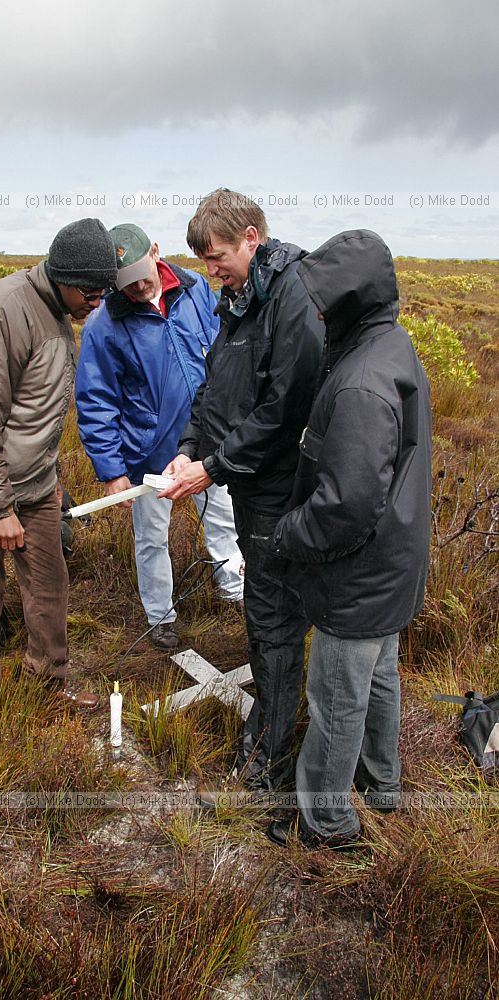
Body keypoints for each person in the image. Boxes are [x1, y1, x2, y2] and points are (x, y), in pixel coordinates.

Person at [266, 229, 432, 849]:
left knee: (336, 697)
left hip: (358, 572)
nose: (313, 311)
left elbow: (348, 505)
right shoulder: (392, 345)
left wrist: (288, 531)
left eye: (322, 300)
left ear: (349, 301)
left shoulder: (362, 380)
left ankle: (326, 823)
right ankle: (382, 784)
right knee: (379, 672)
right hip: (394, 559)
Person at [0, 218, 118, 743]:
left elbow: (36, 415)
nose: (97, 303)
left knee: (49, 588)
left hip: (34, 490)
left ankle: (49, 683)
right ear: (65, 276)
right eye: (93, 293)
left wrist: (48, 482)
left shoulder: (58, 310)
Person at [162, 189, 324, 790]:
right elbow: (215, 391)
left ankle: (271, 757)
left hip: (281, 492)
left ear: (252, 237)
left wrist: (215, 468)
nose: (210, 271)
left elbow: (286, 410)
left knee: (274, 618)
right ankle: (271, 731)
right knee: (262, 610)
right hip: (246, 484)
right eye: (203, 260)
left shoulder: (293, 295)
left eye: (219, 255)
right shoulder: (237, 298)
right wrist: (187, 452)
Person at [75, 223, 244, 651]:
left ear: (155, 251)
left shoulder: (195, 292)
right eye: (125, 284)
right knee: (151, 538)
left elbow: (222, 354)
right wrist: (113, 471)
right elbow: (96, 401)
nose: (136, 288)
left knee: (225, 521)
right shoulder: (104, 325)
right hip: (147, 456)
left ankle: (235, 591)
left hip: (207, 443)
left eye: (141, 277)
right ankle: (160, 618)